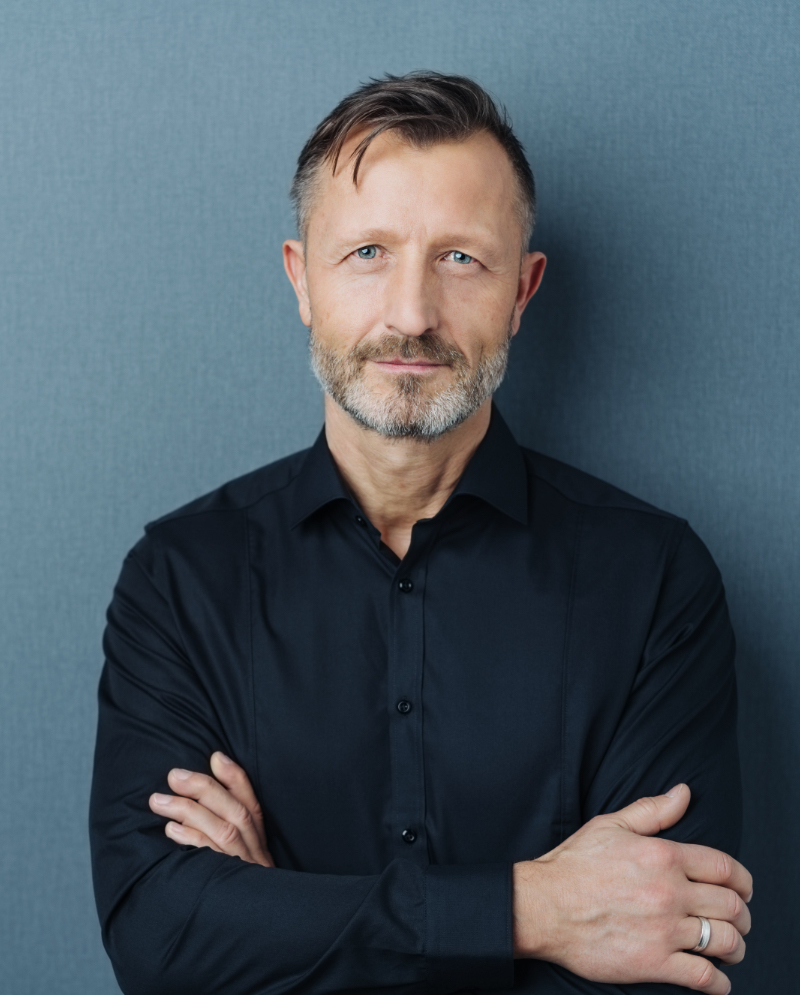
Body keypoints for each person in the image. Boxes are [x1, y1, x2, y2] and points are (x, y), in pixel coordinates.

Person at [89, 72, 751, 995]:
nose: (410, 314)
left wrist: (284, 919)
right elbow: (161, 942)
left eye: (460, 259)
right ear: (301, 280)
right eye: (366, 251)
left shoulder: (653, 581)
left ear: (523, 291)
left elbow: (668, 952)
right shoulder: (179, 579)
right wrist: (537, 910)